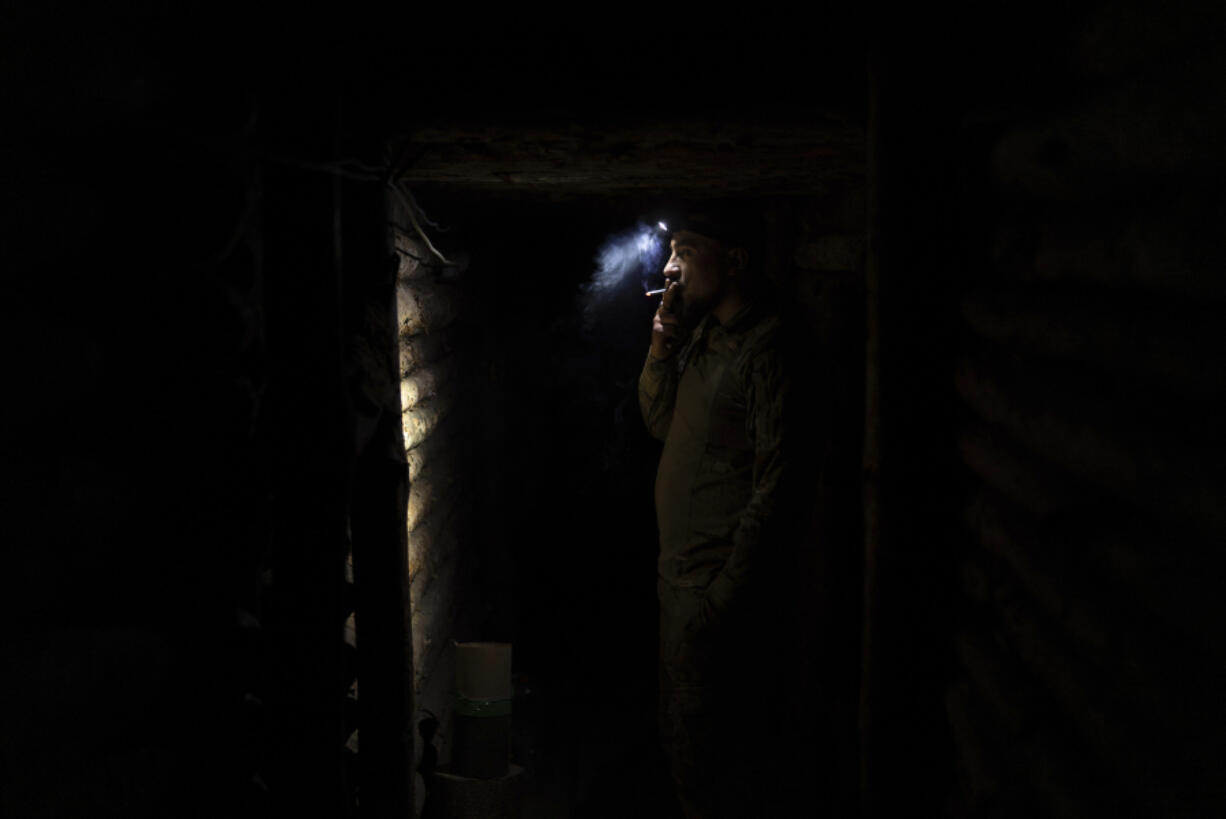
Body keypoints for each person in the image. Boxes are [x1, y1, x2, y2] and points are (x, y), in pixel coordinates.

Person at [639, 214, 791, 818]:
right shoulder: (704, 335)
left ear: (734, 260)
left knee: (711, 767)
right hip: (679, 584)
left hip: (711, 594)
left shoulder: (767, 350)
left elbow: (777, 488)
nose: (669, 267)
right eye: (671, 251)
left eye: (686, 251)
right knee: (680, 744)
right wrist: (659, 349)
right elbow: (658, 424)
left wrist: (721, 598)